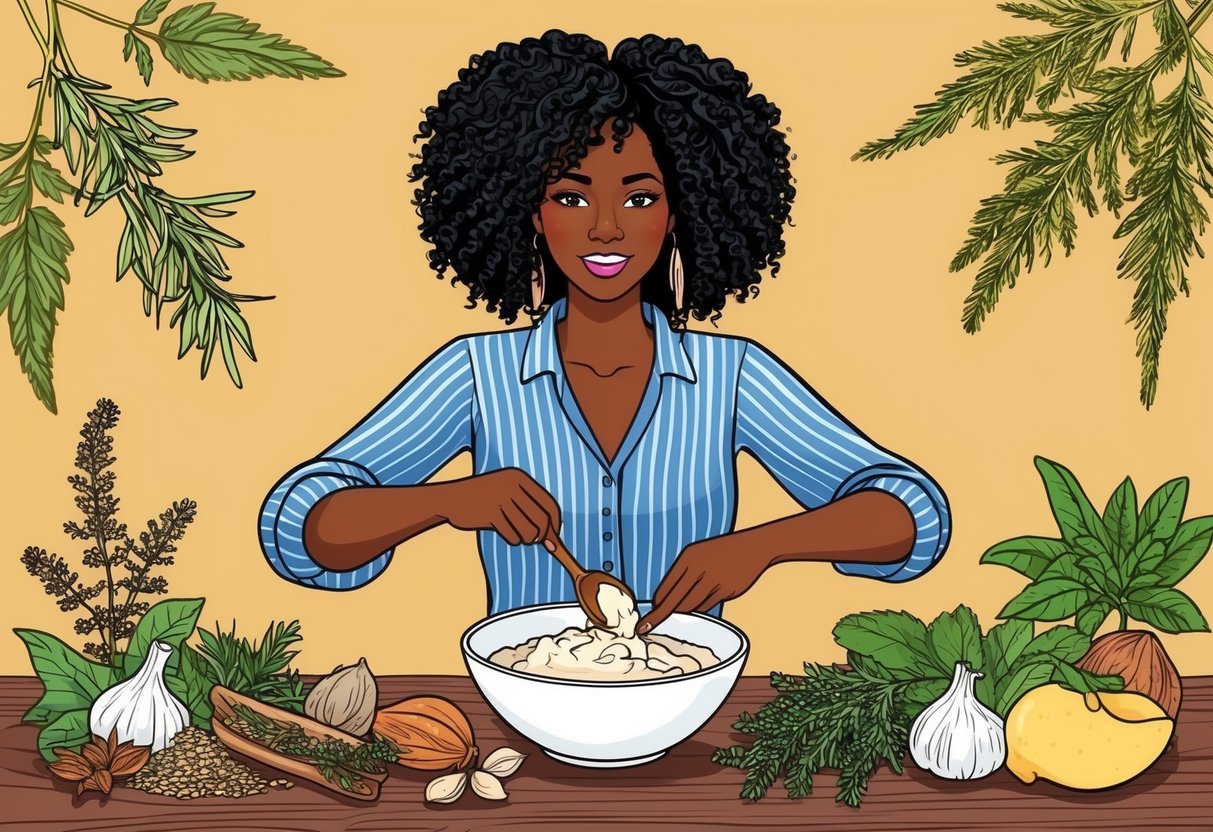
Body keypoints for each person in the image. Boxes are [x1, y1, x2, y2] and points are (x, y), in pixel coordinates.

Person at [259, 30, 950, 635]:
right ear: (527, 210)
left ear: (682, 211)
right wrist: (446, 501)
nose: (606, 228)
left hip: (684, 695)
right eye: (570, 196)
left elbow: (905, 514)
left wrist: (760, 546)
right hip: (522, 699)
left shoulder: (732, 375)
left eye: (639, 196)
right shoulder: (475, 373)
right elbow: (306, 527)